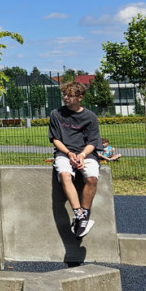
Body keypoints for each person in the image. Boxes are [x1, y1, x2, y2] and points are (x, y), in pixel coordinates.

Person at [48, 81, 102, 239]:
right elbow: (55, 139)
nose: (65, 98)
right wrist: (69, 153)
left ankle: (84, 214)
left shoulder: (90, 117)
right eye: (64, 95)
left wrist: (82, 155)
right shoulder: (56, 114)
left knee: (92, 178)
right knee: (65, 175)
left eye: (69, 96)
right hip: (64, 153)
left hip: (86, 153)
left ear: (80, 98)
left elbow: (93, 142)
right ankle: (79, 215)